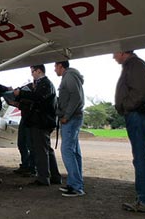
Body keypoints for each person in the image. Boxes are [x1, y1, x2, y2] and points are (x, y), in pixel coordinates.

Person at [113, 50, 145, 213]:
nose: (113, 57)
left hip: (138, 115)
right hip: (141, 114)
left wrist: (126, 106)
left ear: (122, 52)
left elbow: (140, 91)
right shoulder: (135, 65)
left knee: (140, 158)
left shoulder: (135, 65)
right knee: (144, 157)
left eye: (115, 53)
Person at [14, 64, 61, 186]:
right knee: (47, 150)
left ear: (39, 71)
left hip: (41, 122)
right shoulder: (45, 84)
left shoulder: (45, 84)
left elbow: (38, 97)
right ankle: (55, 176)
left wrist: (21, 94)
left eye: (33, 71)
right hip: (44, 121)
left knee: (41, 151)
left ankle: (43, 178)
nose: (32, 74)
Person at [54, 60, 85, 197]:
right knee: (74, 151)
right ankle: (75, 184)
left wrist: (66, 115)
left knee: (67, 150)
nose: (55, 69)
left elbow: (76, 97)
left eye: (55, 66)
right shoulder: (70, 76)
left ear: (61, 66)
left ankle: (76, 187)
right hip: (74, 117)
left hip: (71, 119)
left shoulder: (69, 76)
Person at [10, 83, 36, 177]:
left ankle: (32, 167)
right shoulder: (27, 87)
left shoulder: (37, 89)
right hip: (24, 117)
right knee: (21, 143)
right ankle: (25, 165)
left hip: (31, 118)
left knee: (30, 144)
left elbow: (33, 103)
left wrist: (19, 104)